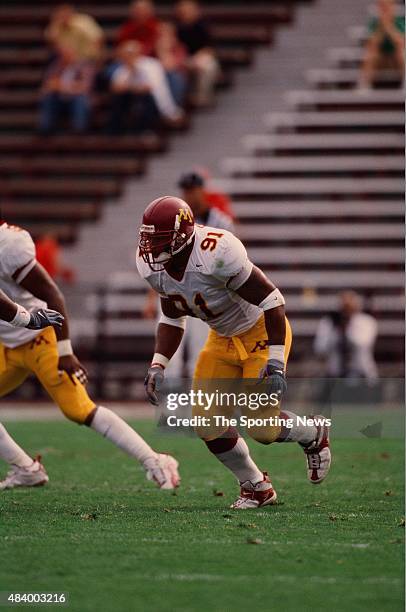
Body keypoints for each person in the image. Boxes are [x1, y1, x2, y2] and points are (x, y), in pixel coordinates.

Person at [137, 197, 331, 509]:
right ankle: (255, 486)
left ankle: (313, 432)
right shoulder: (152, 264)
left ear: (182, 236)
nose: (149, 248)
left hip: (260, 332)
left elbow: (273, 300)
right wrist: (158, 364)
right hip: (222, 338)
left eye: (159, 239)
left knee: (262, 428)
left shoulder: (218, 252)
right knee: (206, 423)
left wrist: (276, 362)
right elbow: (173, 315)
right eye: (148, 238)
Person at [0, 219, 180, 491]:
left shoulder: (8, 246)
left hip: (40, 338)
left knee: (79, 409)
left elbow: (53, 296)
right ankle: (26, 469)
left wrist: (65, 351)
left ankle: (155, 460)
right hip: (7, 344)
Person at [142, 172, 234, 378]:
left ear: (202, 191)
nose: (188, 195)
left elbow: (230, 260)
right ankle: (168, 398)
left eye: (191, 190)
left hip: (206, 292)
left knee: (200, 350)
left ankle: (195, 399)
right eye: (185, 191)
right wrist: (150, 297)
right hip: (175, 287)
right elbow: (160, 260)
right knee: (170, 351)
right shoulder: (173, 218)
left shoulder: (220, 220)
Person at [108, 41, 184, 134]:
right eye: (125, 55)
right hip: (131, 99)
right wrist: (132, 84)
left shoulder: (151, 64)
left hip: (154, 102)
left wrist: (130, 85)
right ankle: (115, 132)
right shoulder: (123, 67)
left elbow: (149, 88)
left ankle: (144, 131)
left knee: (144, 98)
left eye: (130, 54)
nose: (128, 57)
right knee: (119, 99)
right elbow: (115, 88)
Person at [314, 291, 378, 380]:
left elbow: (362, 343)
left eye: (349, 306)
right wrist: (335, 332)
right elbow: (320, 348)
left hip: (361, 374)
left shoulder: (366, 322)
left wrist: (346, 328)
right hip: (335, 375)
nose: (346, 310)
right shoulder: (329, 323)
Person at [38, 45, 94, 134]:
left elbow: (84, 87)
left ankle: (79, 129)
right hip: (59, 99)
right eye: (63, 54)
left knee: (79, 99)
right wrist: (70, 86)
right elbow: (48, 85)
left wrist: (62, 86)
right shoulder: (55, 66)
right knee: (49, 98)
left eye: (68, 54)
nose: (66, 56)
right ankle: (45, 128)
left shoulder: (83, 67)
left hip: (76, 99)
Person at [175, 0, 220, 107]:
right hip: (182, 58)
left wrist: (195, 59)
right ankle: (179, 101)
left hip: (199, 57)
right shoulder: (176, 28)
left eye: (189, 10)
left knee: (209, 66)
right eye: (184, 10)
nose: (186, 12)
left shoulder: (203, 26)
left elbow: (210, 48)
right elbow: (174, 47)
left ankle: (203, 97)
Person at [359, 0, 405, 90]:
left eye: (387, 6)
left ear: (392, 7)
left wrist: (389, 27)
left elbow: (401, 42)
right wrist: (382, 27)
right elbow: (372, 43)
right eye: (382, 6)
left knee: (402, 53)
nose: (385, 9)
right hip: (380, 59)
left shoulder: (399, 22)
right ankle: (364, 85)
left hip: (395, 58)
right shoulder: (374, 23)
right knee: (370, 54)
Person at [155, 21, 188, 106]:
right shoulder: (153, 47)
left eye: (167, 34)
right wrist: (160, 50)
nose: (164, 37)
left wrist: (165, 51)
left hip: (175, 75)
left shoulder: (180, 47)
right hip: (156, 76)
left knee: (173, 76)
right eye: (161, 34)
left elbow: (170, 66)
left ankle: (173, 108)